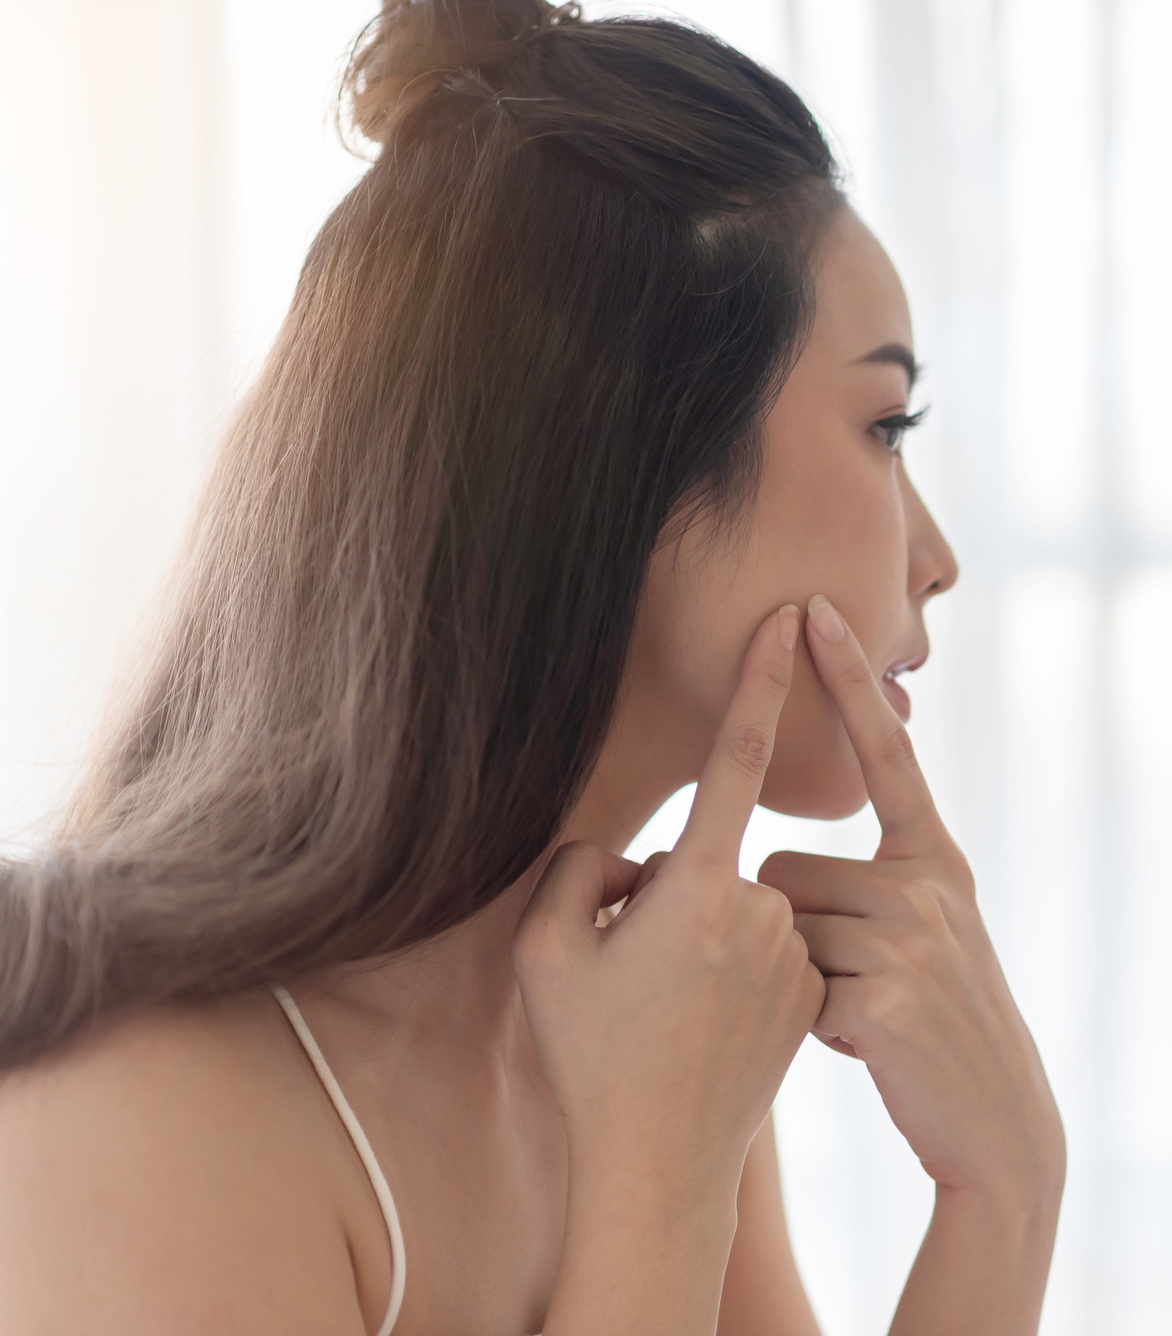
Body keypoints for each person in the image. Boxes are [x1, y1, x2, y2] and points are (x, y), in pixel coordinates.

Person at [0, 3, 1063, 1333]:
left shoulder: (668, 1023)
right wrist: (655, 1195)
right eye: (884, 424)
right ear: (629, 465)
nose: (938, 556)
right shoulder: (133, 1097)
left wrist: (1004, 1191)